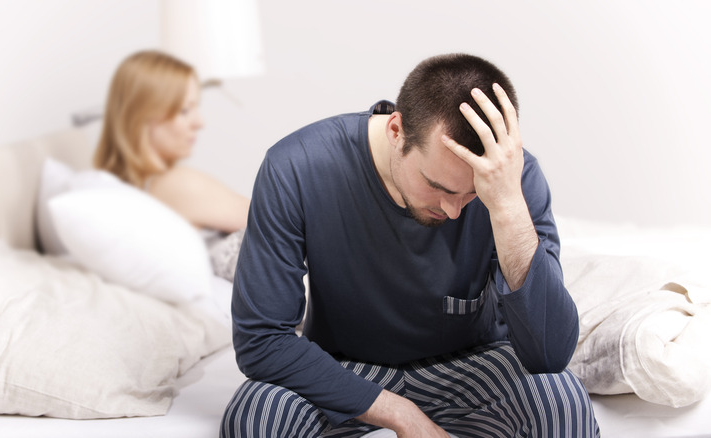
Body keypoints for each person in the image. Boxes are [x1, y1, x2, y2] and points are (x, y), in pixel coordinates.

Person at [220, 53, 599, 437]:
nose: (453, 211)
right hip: (343, 367)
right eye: (438, 187)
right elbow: (262, 339)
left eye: (470, 194)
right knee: (256, 416)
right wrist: (399, 414)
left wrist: (506, 206)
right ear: (396, 130)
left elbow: (550, 354)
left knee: (560, 398)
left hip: (470, 366)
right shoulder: (297, 166)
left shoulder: (513, 181)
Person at [93, 50, 249, 279]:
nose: (199, 122)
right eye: (185, 110)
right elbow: (296, 225)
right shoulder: (177, 184)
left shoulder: (130, 192)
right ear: (141, 117)